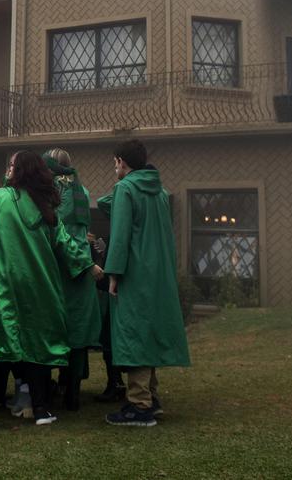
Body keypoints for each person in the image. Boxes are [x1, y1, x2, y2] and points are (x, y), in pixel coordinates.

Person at [0, 151, 99, 431]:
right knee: (36, 344)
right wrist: (89, 266)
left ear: (18, 171)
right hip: (40, 284)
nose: (7, 168)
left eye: (11, 165)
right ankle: (41, 408)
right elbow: (64, 243)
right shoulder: (47, 205)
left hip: (1, 281)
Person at [103, 139, 191, 427]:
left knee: (134, 334)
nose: (114, 167)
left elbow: (120, 236)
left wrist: (113, 273)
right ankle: (151, 397)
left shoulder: (125, 189)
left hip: (135, 272)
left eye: (115, 162)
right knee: (149, 331)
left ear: (121, 162)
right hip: (158, 272)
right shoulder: (160, 192)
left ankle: (139, 404)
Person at [44, 148, 101, 412]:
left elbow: (57, 233)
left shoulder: (49, 194)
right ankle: (72, 392)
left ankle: (48, 389)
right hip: (82, 269)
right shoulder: (82, 191)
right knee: (77, 335)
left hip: (57, 269)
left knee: (51, 330)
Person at [91, 200, 126, 403]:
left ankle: (116, 384)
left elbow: (104, 201)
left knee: (109, 340)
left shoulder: (123, 231)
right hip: (118, 293)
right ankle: (116, 383)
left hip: (120, 293)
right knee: (108, 340)